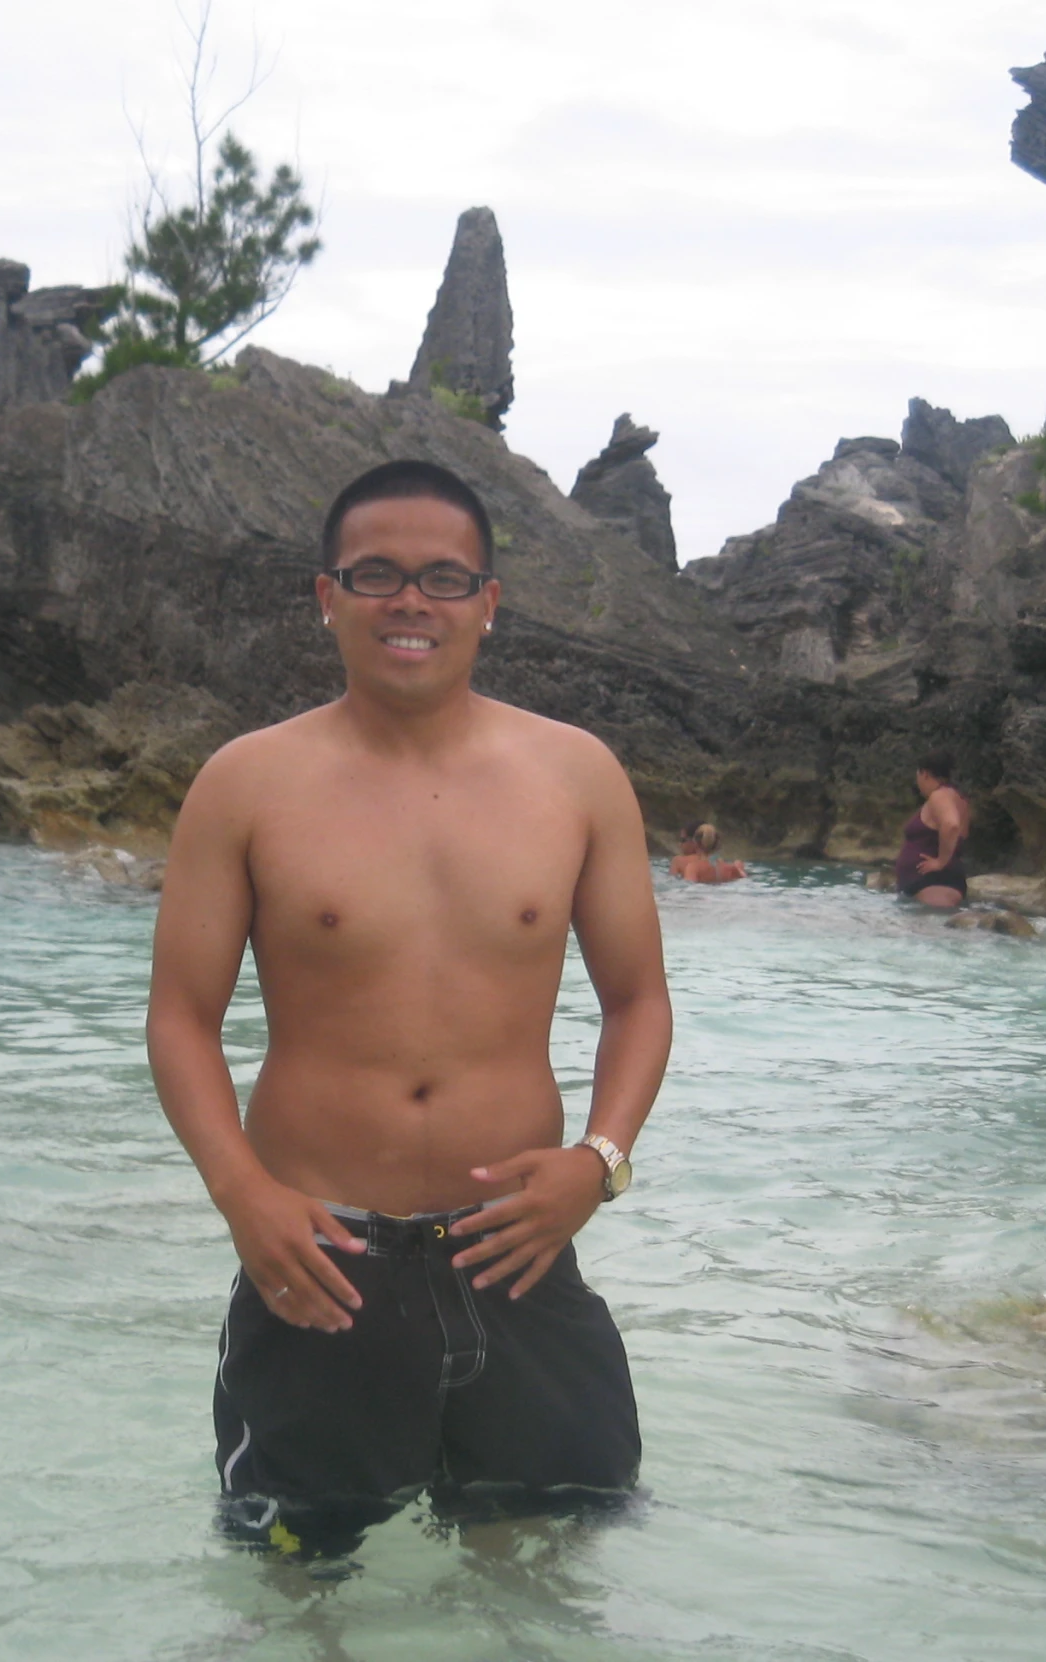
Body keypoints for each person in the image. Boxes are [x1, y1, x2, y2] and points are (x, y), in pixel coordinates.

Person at [145, 459, 672, 1555]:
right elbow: (180, 1017)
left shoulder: (576, 777)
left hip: (518, 1255)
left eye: (441, 577)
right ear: (326, 594)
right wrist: (239, 1192)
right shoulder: (245, 783)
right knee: (296, 1588)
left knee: (544, 1572)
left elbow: (636, 998)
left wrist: (599, 1162)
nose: (408, 602)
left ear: (487, 601)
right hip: (319, 1261)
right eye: (375, 573)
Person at [895, 752, 969, 909]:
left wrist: (941, 861)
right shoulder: (959, 799)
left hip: (934, 884)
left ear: (925, 774)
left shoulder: (939, 796)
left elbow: (951, 825)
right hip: (938, 882)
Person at [670, 821, 746, 884]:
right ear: (717, 843)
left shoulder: (693, 867)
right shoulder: (730, 868)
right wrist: (739, 867)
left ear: (695, 843)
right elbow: (744, 879)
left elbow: (688, 890)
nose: (680, 844)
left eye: (682, 840)